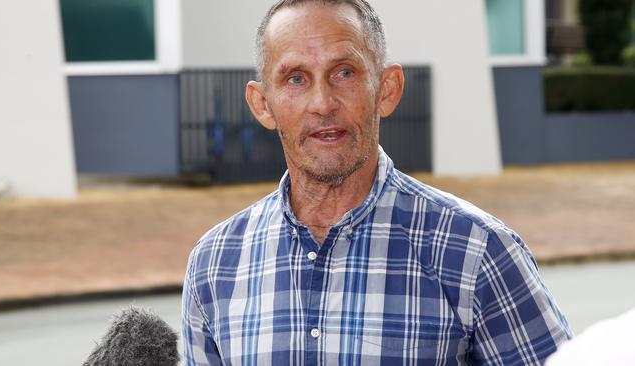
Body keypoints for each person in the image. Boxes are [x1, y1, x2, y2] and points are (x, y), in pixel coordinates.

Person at [182, 1, 573, 364]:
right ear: (262, 104)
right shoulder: (213, 265)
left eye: (345, 73)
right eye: (296, 78)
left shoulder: (479, 251)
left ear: (387, 90)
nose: (323, 102)